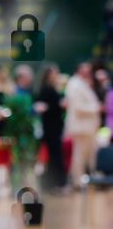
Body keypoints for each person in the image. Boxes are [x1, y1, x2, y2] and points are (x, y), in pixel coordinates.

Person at [64, 60, 102, 189]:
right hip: (81, 128)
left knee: (90, 154)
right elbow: (78, 107)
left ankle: (95, 178)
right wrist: (95, 108)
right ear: (79, 69)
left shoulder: (82, 83)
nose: (88, 70)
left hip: (88, 128)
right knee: (79, 156)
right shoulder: (75, 84)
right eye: (86, 68)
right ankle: (78, 181)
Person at [35, 63, 67, 193]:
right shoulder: (45, 89)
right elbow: (45, 107)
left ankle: (54, 183)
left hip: (55, 127)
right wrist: (60, 105)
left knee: (55, 156)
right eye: (54, 72)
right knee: (53, 157)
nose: (56, 75)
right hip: (50, 128)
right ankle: (53, 184)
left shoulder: (52, 87)